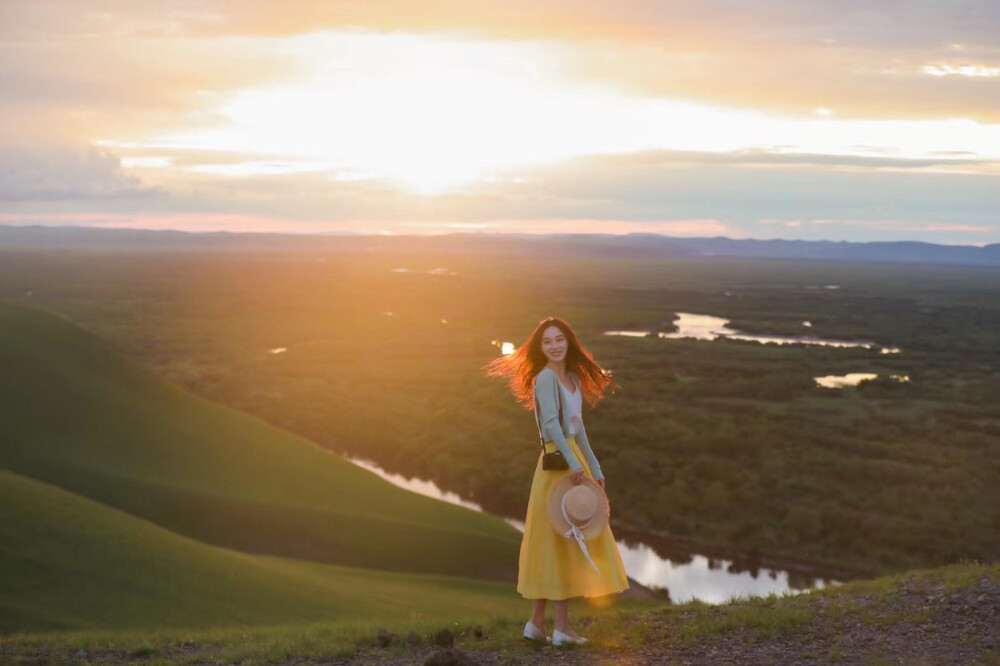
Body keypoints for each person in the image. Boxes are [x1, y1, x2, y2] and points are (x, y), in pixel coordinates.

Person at [486, 317, 629, 646]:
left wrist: (595, 466)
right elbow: (551, 426)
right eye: (547, 341)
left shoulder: (573, 379)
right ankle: (561, 630)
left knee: (557, 545)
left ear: (569, 342)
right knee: (562, 544)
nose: (553, 345)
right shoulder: (546, 378)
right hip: (558, 463)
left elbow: (578, 431)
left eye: (559, 339)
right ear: (541, 347)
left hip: (572, 462)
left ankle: (537, 625)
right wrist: (573, 460)